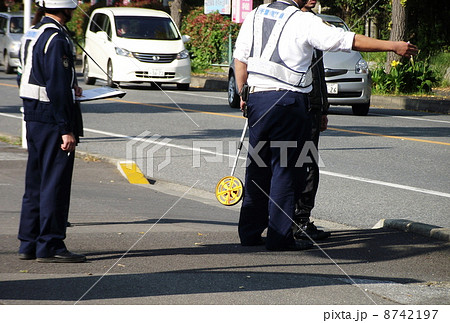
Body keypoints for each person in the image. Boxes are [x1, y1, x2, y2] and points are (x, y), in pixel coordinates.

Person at [234, 0, 417, 251]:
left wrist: (244, 95)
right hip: (288, 100)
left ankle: (250, 232)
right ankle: (279, 238)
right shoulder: (303, 20)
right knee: (286, 170)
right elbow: (348, 40)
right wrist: (392, 46)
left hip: (258, 98)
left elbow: (240, 59)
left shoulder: (255, 15)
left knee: (258, 165)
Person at [17, 0, 86, 263]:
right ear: (65, 7)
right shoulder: (56, 38)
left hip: (33, 113)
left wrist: (72, 87)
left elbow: (30, 75)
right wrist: (65, 129)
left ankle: (29, 242)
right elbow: (56, 85)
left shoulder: (32, 33)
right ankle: (51, 244)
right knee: (54, 183)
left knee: (35, 182)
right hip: (51, 116)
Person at [293, 0, 330, 240]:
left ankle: (301, 218)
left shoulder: (315, 23)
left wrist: (324, 107)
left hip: (312, 105)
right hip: (293, 103)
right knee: (296, 163)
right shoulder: (290, 23)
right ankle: (296, 222)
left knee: (307, 162)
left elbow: (319, 71)